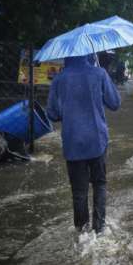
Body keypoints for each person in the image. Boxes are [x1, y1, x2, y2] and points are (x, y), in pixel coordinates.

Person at [46, 53, 121, 235]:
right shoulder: (99, 73)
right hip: (97, 140)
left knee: (79, 192)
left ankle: (82, 233)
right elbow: (115, 103)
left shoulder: (59, 79)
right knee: (99, 184)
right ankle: (99, 228)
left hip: (73, 142)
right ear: (89, 54)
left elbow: (52, 114)